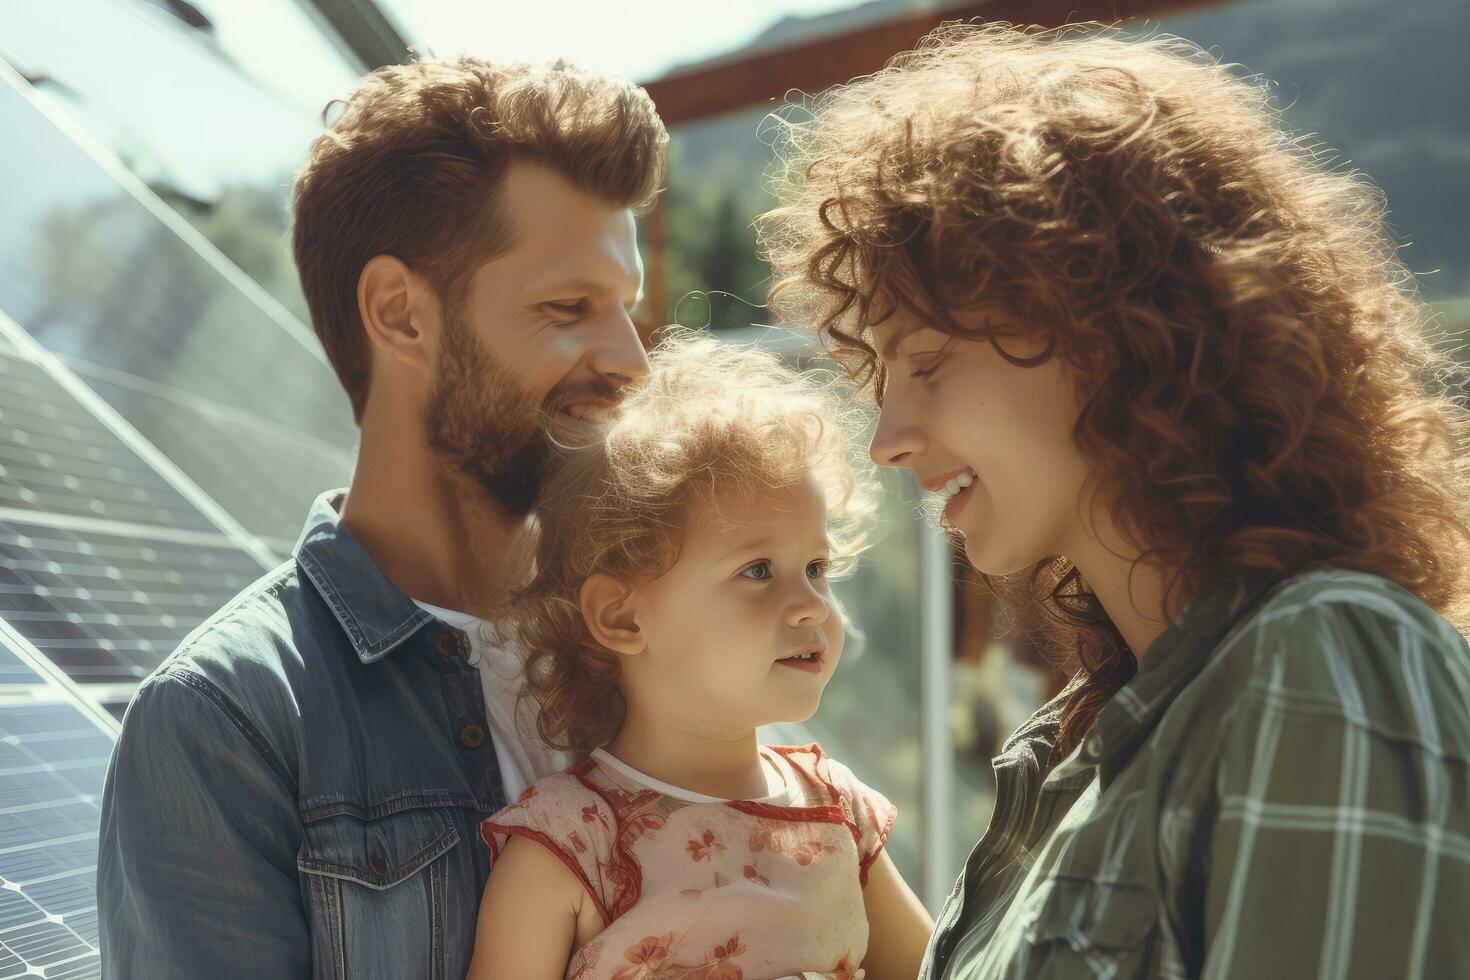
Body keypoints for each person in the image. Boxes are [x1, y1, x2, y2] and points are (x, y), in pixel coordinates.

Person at [759, 21, 1470, 979]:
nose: (888, 440)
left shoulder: (1325, 661)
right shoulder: (1068, 745)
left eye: (926, 362)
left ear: (1112, 334)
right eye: (879, 378)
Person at [97, 57, 667, 977]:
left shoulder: (662, 636)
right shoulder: (227, 724)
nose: (632, 361)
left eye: (627, 311)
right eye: (570, 309)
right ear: (401, 314)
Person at [466, 332, 933, 979]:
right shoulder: (572, 841)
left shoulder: (837, 812)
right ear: (623, 616)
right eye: (759, 569)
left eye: (817, 567)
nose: (811, 606)